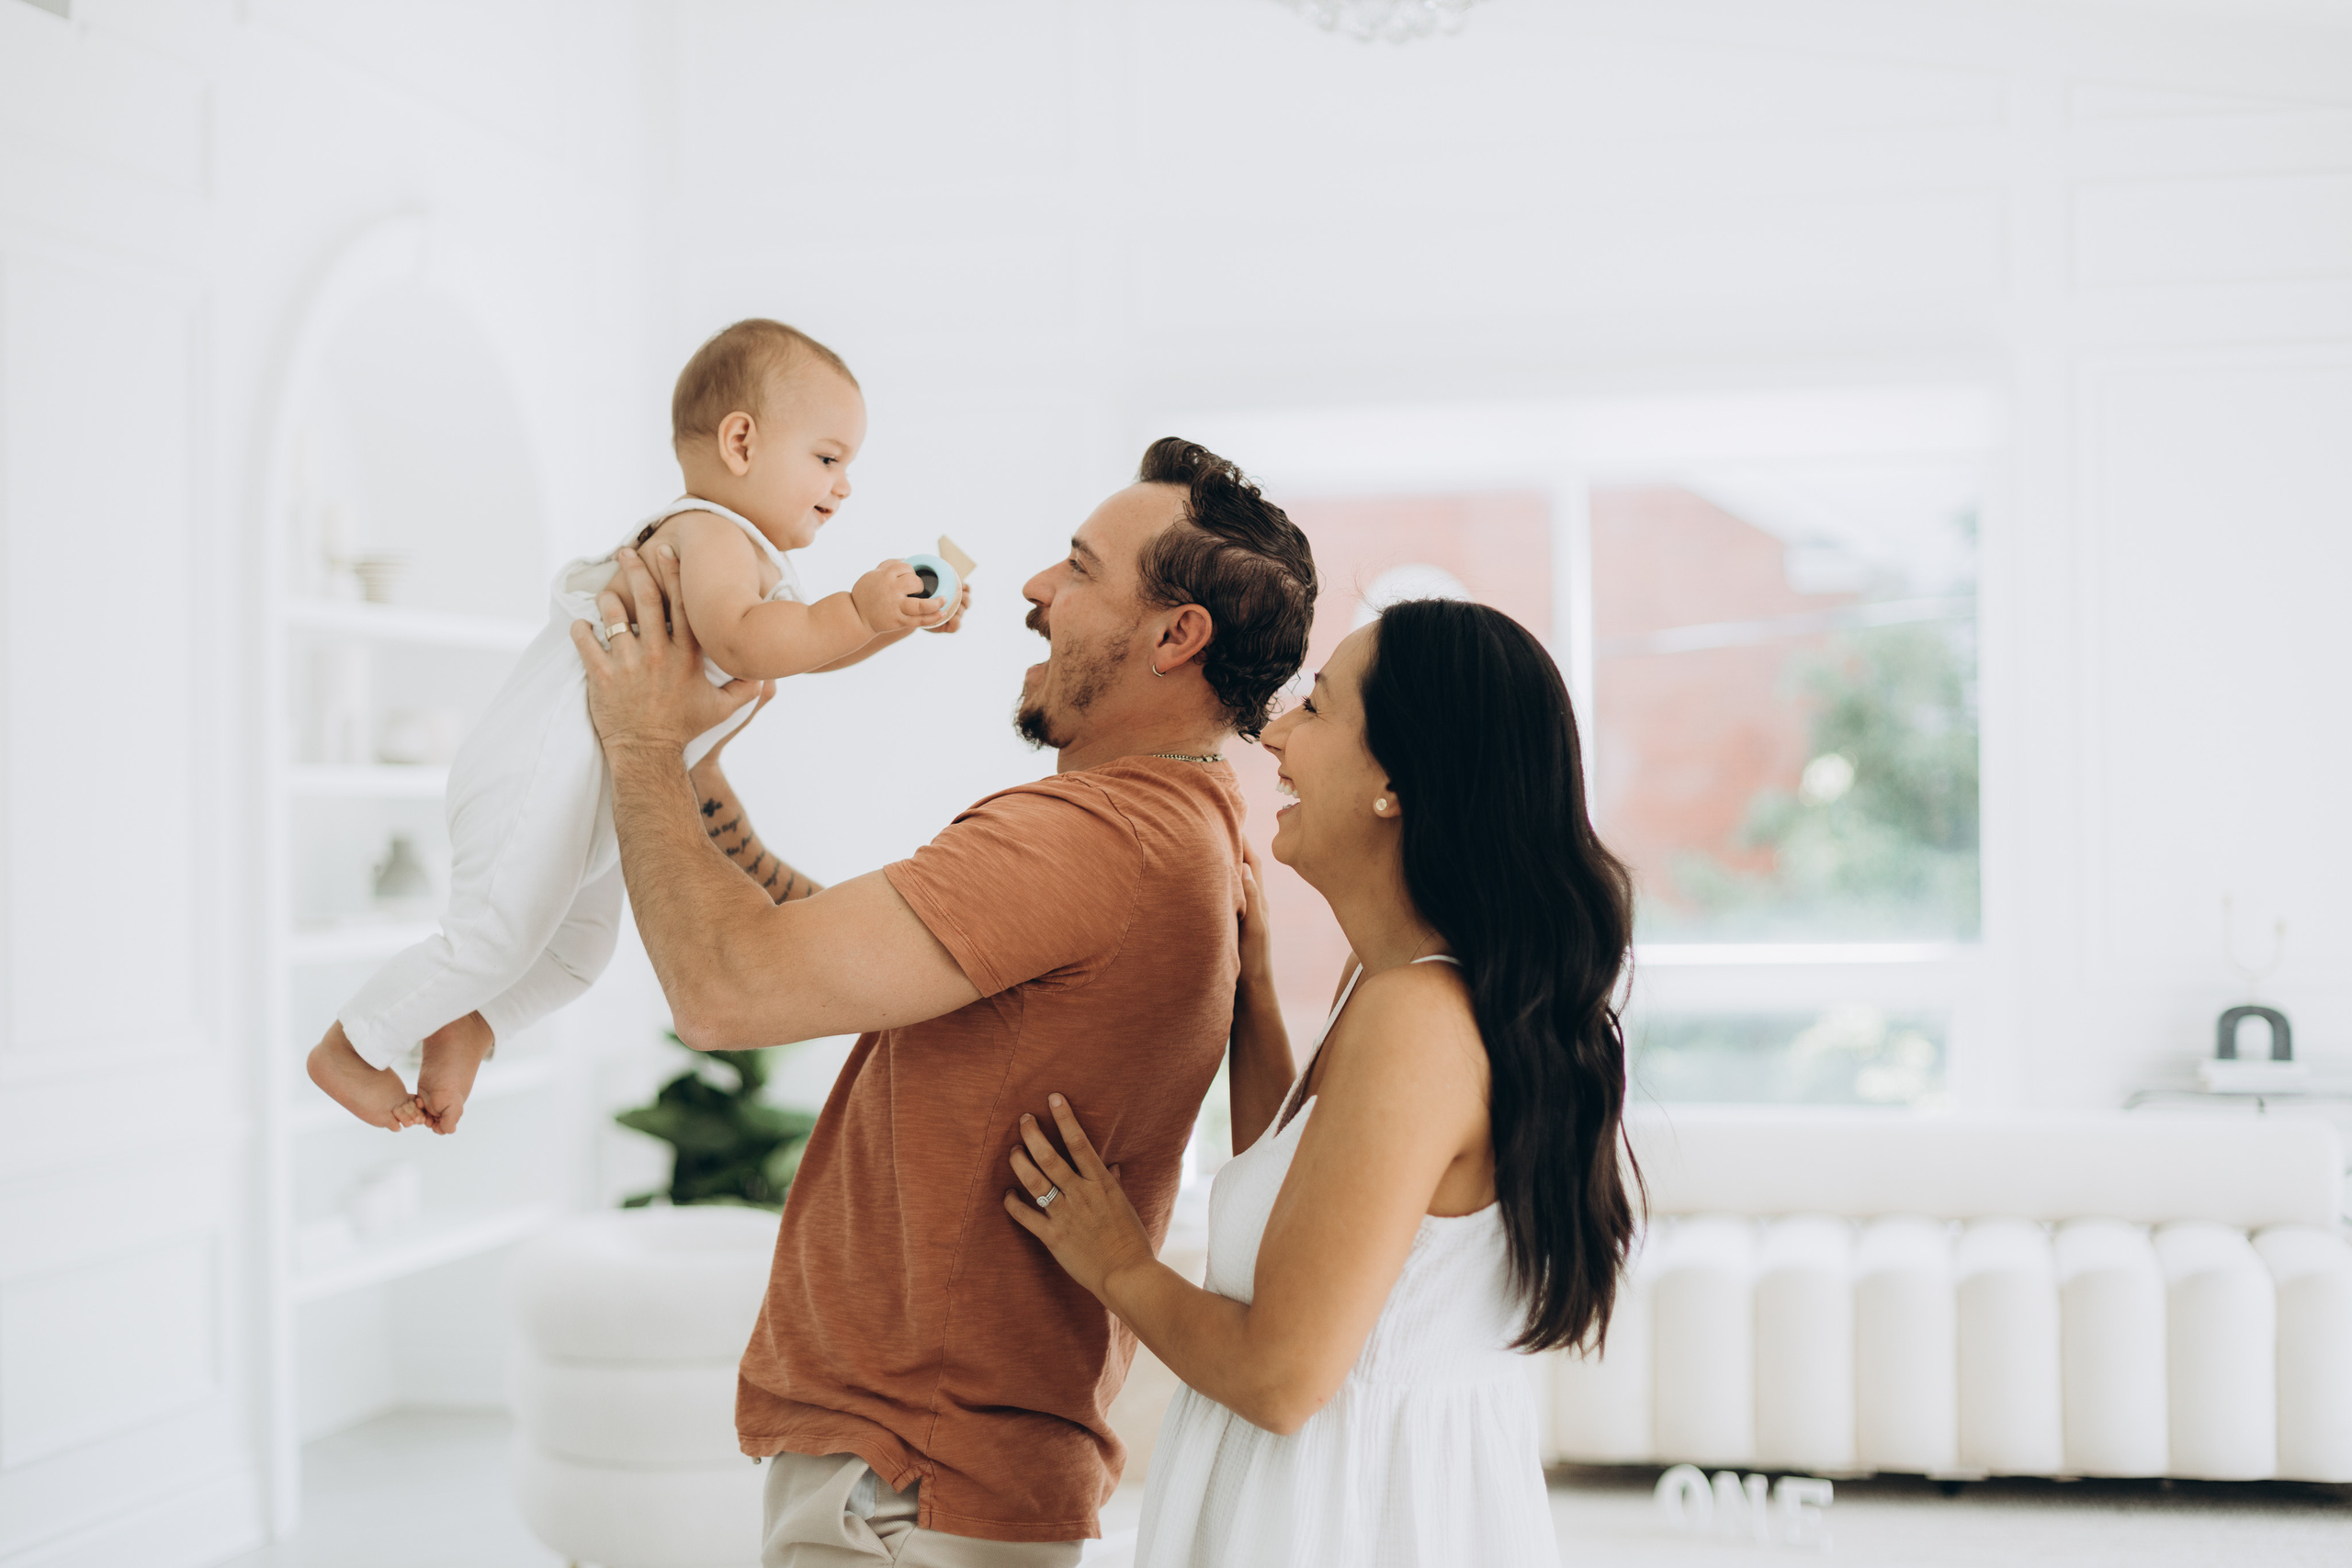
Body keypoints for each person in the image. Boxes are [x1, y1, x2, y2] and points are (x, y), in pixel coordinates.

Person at [569, 438, 1317, 1565]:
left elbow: (725, 990)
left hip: (909, 1491)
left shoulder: (1093, 838)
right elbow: (836, 956)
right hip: (937, 1481)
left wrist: (636, 739)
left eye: (1079, 568)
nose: (1037, 589)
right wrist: (689, 771)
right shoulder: (1182, 828)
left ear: (1176, 636)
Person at [1001, 598, 1639, 1567]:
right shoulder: (1392, 985)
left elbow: (1280, 1377)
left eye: (1318, 706)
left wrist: (1117, 1261)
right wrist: (1252, 994)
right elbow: (1304, 1214)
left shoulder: (1419, 1020)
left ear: (1395, 782)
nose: (1274, 733)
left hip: (1342, 1524)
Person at [306, 319, 963, 1135]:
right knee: (495, 936)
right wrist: (857, 610)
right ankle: (350, 1046)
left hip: (597, 795)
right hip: (537, 771)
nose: (844, 485)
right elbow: (746, 641)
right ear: (741, 442)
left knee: (576, 955)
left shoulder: (750, 557)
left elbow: (800, 650)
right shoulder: (708, 533)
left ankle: (472, 1021)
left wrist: (888, 626)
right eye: (829, 459)